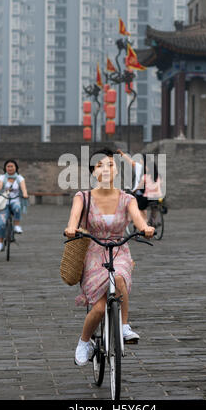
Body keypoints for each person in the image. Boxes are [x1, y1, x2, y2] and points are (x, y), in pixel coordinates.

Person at [64, 148, 155, 366]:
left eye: (111, 165)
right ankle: (84, 341)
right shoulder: (83, 197)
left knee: (120, 277)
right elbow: (73, 220)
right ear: (93, 172)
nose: (106, 169)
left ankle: (124, 326)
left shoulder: (127, 198)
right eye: (100, 166)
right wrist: (71, 229)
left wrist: (145, 227)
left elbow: (137, 220)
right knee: (97, 308)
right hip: (93, 251)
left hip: (119, 248)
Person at [0, 160, 28, 251]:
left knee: (17, 207)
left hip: (15, 200)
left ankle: (17, 225)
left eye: (12, 166)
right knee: (2, 224)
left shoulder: (20, 178)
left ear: (16, 168)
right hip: (4, 202)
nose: (10, 168)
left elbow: (23, 188)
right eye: (8, 166)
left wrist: (25, 194)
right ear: (5, 168)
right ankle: (0, 242)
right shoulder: (2, 177)